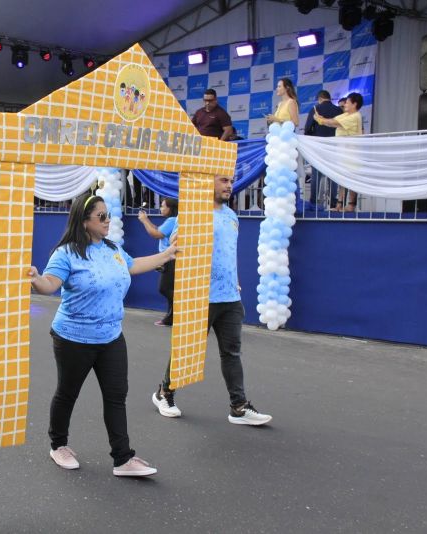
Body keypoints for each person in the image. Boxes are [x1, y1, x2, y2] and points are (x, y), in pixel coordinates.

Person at [28, 194, 178, 477]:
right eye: (102, 217)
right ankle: (58, 445)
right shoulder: (67, 253)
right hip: (73, 338)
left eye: (108, 215)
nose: (108, 221)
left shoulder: (113, 249)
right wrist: (37, 279)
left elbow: (133, 266)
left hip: (111, 336)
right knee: (67, 393)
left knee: (116, 396)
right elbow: (50, 285)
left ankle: (123, 459)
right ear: (84, 221)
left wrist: (167, 254)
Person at [151, 175, 272, 425]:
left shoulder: (231, 216)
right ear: (209, 183)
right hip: (199, 295)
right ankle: (164, 393)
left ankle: (238, 407)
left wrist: (235, 279)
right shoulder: (193, 213)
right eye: (223, 180)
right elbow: (175, 247)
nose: (229, 186)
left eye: (231, 181)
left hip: (230, 296)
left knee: (232, 353)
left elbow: (229, 253)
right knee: (187, 349)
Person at [315, 92, 364, 212]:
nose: (345, 104)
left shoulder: (355, 116)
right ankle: (339, 204)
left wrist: (320, 119)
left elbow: (334, 123)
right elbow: (332, 120)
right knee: (342, 179)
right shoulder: (346, 115)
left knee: (352, 180)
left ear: (354, 104)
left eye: (347, 102)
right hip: (343, 153)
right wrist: (320, 119)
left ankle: (351, 205)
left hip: (352, 153)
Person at [137, 197, 178, 326]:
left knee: (165, 288)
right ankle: (171, 317)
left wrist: (144, 220)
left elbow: (156, 234)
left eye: (162, 205)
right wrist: (146, 220)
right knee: (169, 288)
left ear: (170, 208)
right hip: (168, 258)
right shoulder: (171, 220)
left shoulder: (172, 220)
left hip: (170, 259)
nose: (160, 208)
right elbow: (157, 229)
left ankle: (181, 310)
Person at [304, 90, 343, 207]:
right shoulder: (339, 110)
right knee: (333, 174)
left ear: (320, 99)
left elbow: (307, 129)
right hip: (334, 145)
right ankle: (333, 202)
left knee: (316, 174)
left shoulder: (315, 109)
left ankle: (314, 201)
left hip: (318, 145)